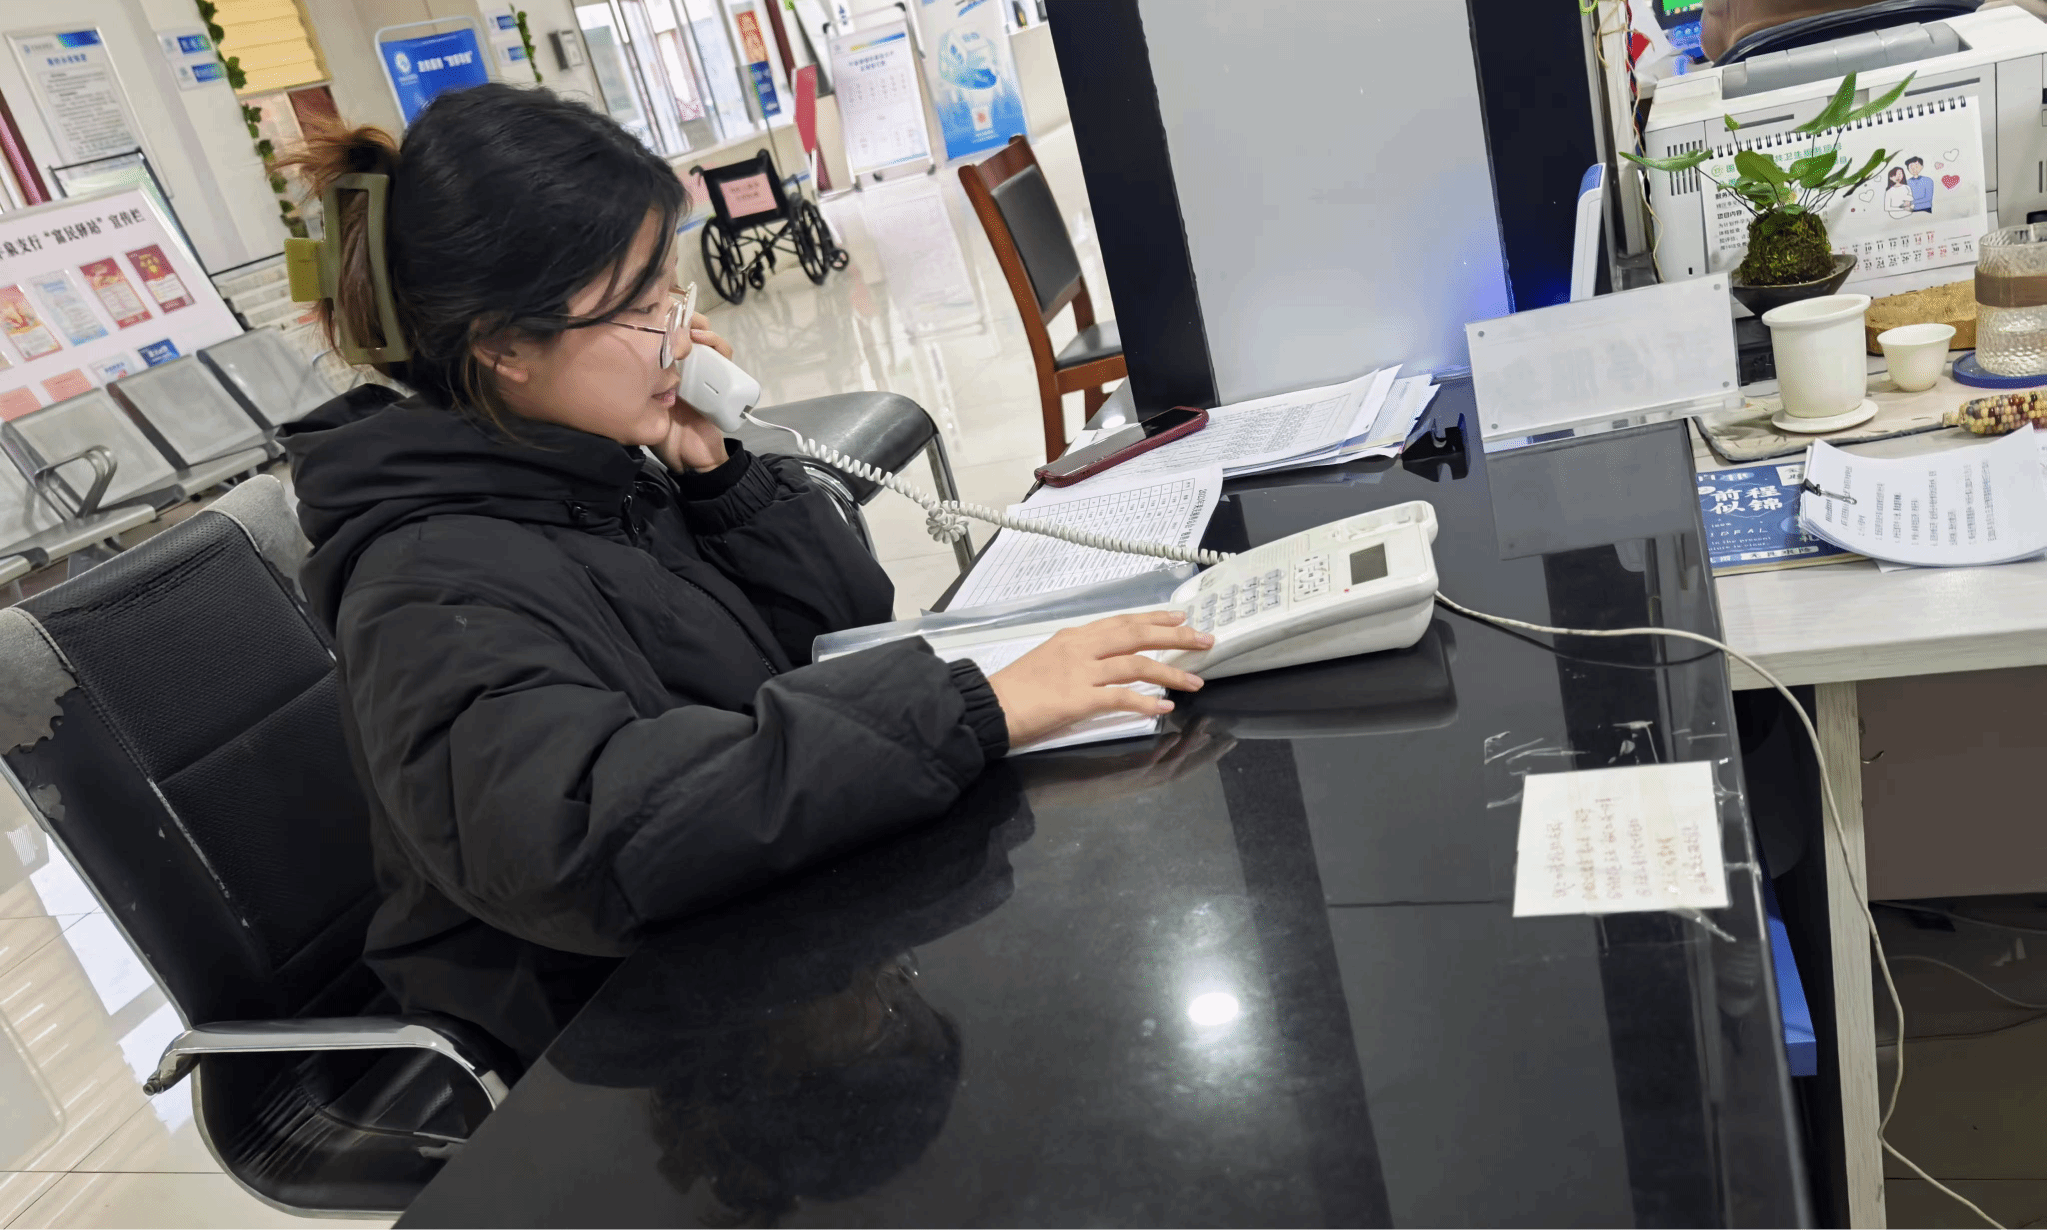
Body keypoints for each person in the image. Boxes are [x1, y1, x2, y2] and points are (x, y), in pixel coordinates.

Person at [278, 84, 1212, 1064]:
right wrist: (965, 709)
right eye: (643, 306)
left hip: (731, 912)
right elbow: (589, 836)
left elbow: (839, 632)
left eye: (672, 291)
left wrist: (723, 481)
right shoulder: (424, 591)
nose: (680, 334)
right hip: (600, 1031)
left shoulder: (589, 468)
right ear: (503, 345)